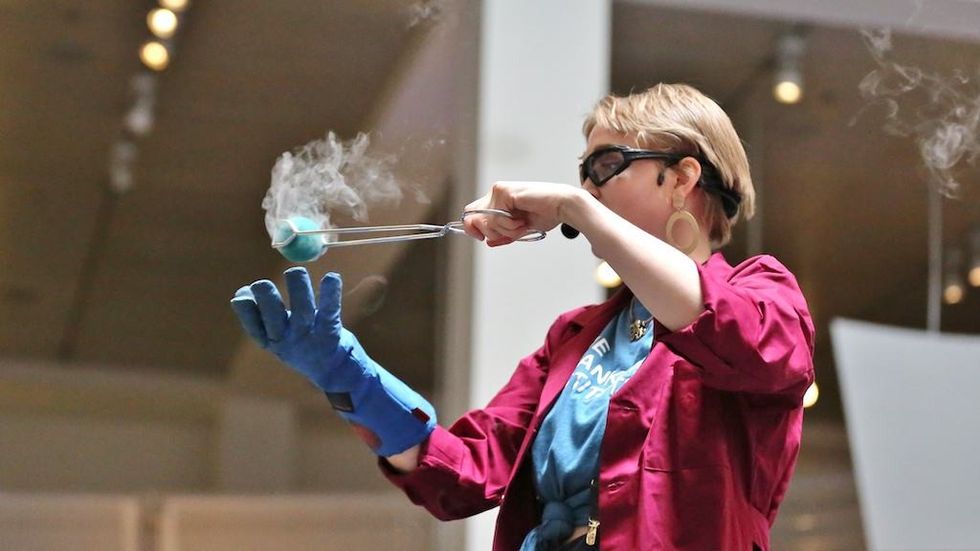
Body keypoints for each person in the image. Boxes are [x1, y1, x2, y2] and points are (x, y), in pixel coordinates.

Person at [231, 83, 815, 551]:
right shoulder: (575, 337)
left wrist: (572, 207)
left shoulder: (763, 293)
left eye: (607, 165)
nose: (588, 185)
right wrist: (347, 376)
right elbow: (457, 474)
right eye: (583, 173)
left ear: (683, 177)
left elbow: (725, 330)